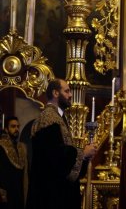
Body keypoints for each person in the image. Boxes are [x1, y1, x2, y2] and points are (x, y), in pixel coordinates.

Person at [26, 79, 97, 209]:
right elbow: (57, 158)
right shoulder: (49, 119)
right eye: (67, 91)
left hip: (55, 193)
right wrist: (83, 153)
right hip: (51, 196)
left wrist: (84, 156)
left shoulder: (57, 118)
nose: (70, 95)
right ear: (55, 93)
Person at [0, 116, 27, 209]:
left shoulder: (22, 147)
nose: (16, 129)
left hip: (19, 191)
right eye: (13, 126)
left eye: (18, 126)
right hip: (7, 192)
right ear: (6, 129)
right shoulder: (1, 146)